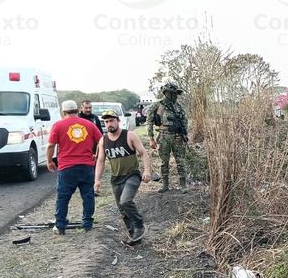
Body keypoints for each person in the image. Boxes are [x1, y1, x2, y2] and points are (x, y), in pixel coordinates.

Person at [46, 100, 103, 234]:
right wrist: (97, 155)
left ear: (63, 112)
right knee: (88, 195)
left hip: (66, 167)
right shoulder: (89, 124)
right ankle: (88, 223)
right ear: (78, 110)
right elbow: (102, 141)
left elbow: (50, 145)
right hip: (87, 166)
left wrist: (49, 161)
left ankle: (60, 225)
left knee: (63, 197)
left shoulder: (58, 125)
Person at [95, 109, 152, 242]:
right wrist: (97, 180)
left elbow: (143, 153)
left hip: (132, 175)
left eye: (112, 120)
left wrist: (147, 170)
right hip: (116, 178)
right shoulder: (103, 140)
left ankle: (139, 225)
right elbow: (100, 161)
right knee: (122, 209)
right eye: (106, 121)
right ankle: (134, 234)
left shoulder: (129, 135)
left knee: (125, 201)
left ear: (118, 121)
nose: (109, 124)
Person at [147, 82, 189, 193]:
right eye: (174, 93)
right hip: (164, 136)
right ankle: (165, 185)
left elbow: (185, 121)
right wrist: (151, 138)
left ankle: (183, 185)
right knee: (163, 162)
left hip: (177, 137)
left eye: (176, 94)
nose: (176, 96)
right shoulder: (157, 105)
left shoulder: (178, 106)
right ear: (167, 93)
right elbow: (149, 121)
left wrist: (183, 134)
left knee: (180, 161)